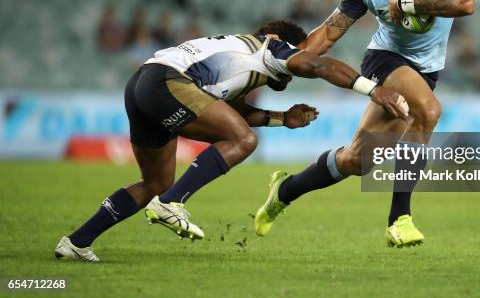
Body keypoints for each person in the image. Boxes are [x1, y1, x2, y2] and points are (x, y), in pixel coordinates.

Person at [54, 19, 408, 262]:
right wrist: (374, 90)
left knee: (155, 181)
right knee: (244, 140)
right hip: (167, 83)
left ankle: (78, 241)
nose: (300, 65)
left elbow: (224, 111)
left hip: (144, 85)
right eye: (302, 52)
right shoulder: (274, 49)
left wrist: (282, 118)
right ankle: (171, 202)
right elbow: (321, 67)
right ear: (286, 44)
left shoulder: (242, 55)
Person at [255, 0, 475, 248]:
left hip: (426, 71)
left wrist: (410, 4)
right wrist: (280, 60)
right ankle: (399, 220)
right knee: (428, 110)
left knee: (358, 160)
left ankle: (284, 192)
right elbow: (327, 35)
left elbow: (464, 2)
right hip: (385, 59)